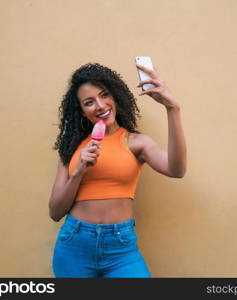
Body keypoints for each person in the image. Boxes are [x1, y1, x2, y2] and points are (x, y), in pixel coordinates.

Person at [49, 62, 186, 278]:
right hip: (75, 246)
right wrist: (79, 172)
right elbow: (55, 212)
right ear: (83, 112)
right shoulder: (72, 148)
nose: (101, 105)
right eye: (89, 102)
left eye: (105, 95)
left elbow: (176, 170)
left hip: (121, 248)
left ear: (115, 97)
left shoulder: (136, 142)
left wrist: (173, 108)